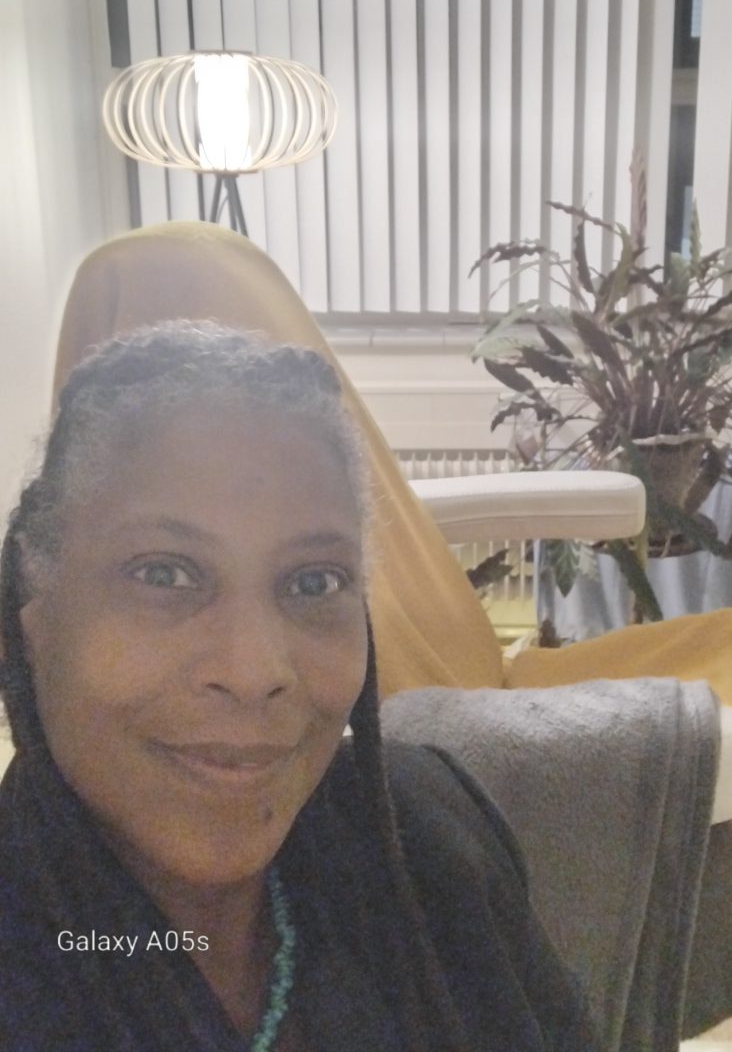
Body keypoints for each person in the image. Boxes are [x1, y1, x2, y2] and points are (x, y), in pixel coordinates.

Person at [0, 321, 597, 1052]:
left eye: (313, 583)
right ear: (34, 621)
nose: (255, 672)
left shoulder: (435, 848)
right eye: (163, 573)